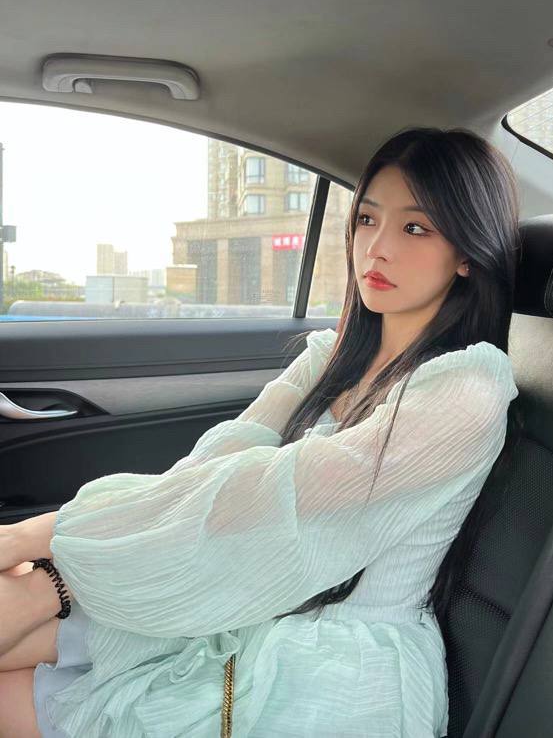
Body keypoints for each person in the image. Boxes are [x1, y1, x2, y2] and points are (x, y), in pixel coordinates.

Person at [0, 126, 521, 737]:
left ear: (467, 253)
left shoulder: (466, 391)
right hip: (245, 597)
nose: (376, 249)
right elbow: (218, 459)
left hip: (325, 662)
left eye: (415, 228)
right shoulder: (331, 358)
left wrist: (47, 548)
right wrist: (55, 557)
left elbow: (268, 497)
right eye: (367, 220)